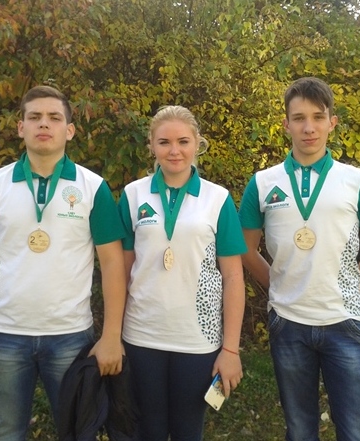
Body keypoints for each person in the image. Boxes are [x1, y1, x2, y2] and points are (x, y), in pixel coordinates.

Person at [0, 85, 127, 441]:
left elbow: (113, 263)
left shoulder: (92, 187)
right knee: (6, 432)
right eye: (34, 117)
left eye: (54, 117)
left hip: (70, 335)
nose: (44, 124)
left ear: (70, 130)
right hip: (5, 335)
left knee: (77, 431)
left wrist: (112, 336)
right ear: (21, 127)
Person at [238, 77, 360, 441]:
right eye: (299, 118)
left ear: (331, 122)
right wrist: (279, 284)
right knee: (300, 429)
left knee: (357, 430)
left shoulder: (356, 180)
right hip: (288, 323)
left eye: (318, 117)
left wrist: (347, 290)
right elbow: (245, 248)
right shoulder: (262, 183)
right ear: (286, 124)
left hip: (344, 322)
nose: (309, 128)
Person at [118, 105, 246, 441]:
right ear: (151, 145)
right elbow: (121, 271)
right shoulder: (133, 194)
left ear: (197, 143)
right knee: (148, 428)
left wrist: (231, 349)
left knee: (188, 429)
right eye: (164, 142)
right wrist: (112, 334)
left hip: (197, 339)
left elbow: (233, 277)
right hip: (141, 334)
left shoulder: (217, 199)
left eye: (183, 141)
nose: (174, 150)